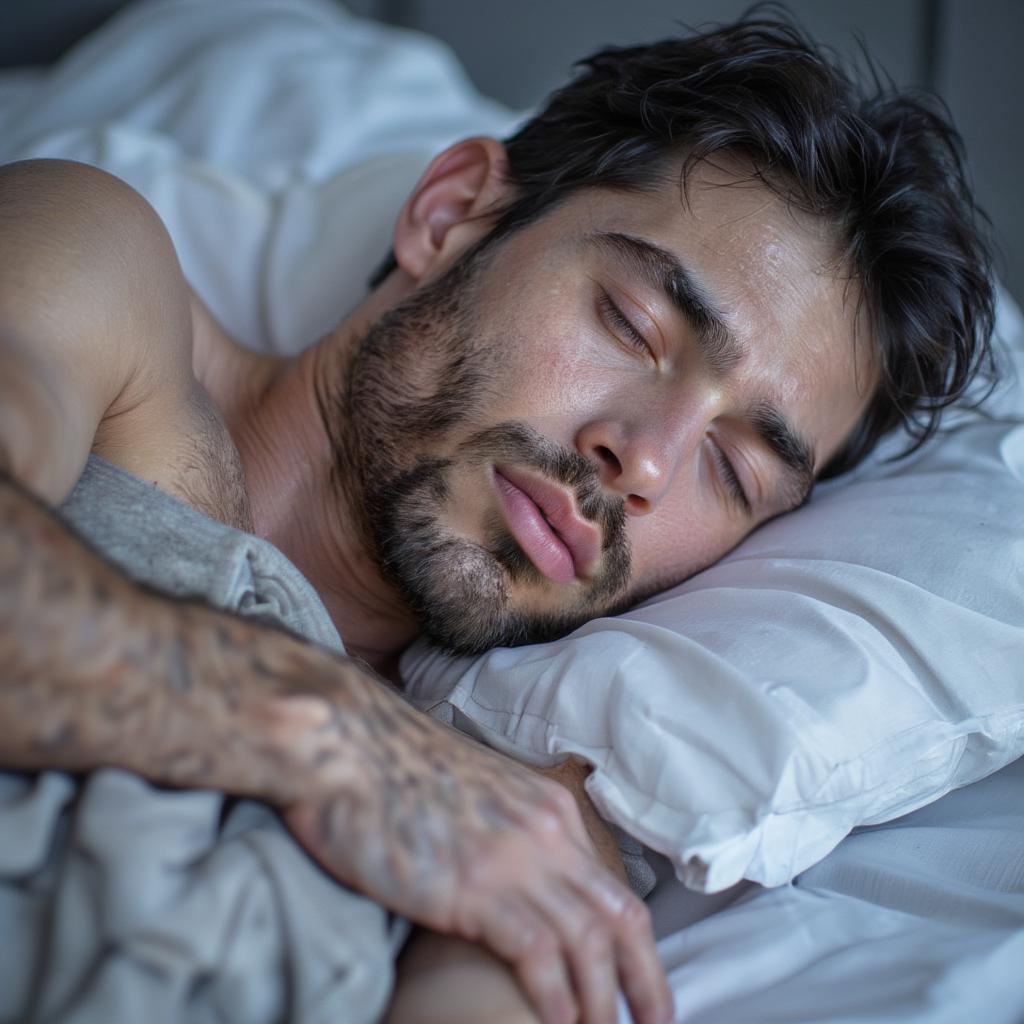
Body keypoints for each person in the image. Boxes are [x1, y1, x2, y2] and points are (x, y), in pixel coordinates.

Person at [0, 13, 995, 1024]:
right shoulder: (104, 274)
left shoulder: (525, 819)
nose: (643, 459)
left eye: (731, 469)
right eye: (632, 325)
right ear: (453, 215)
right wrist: (328, 733)